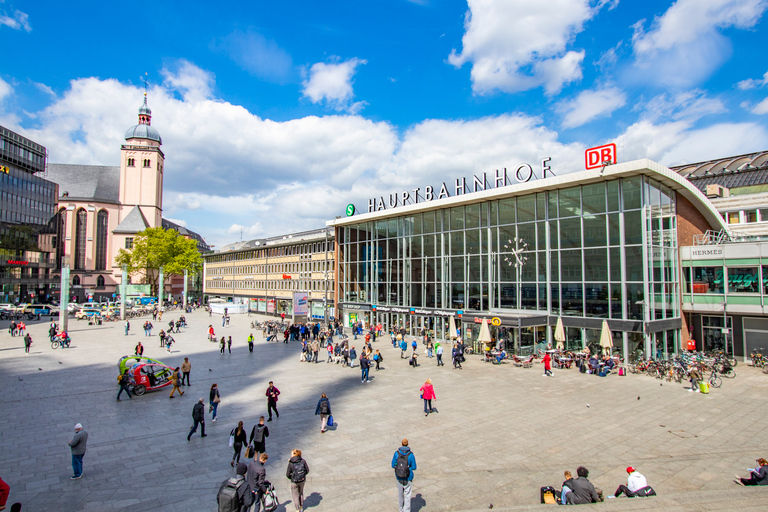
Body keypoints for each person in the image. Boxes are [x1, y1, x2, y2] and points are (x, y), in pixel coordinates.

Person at [392, 438, 417, 512]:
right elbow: (414, 467)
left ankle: (401, 509)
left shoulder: (396, 453)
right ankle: (406, 510)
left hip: (399, 477)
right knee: (407, 495)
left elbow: (393, 465)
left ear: (401, 444)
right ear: (407, 444)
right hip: (408, 477)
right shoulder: (411, 455)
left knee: (400, 494)